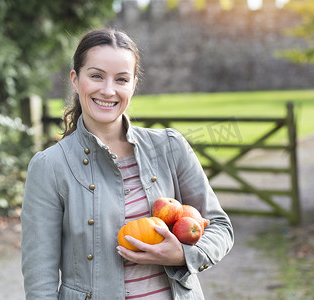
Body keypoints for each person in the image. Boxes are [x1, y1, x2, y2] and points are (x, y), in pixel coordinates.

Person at [21, 28, 234, 300]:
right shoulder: (49, 166)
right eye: (96, 76)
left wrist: (182, 254)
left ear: (133, 84)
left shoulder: (169, 146)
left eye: (121, 79)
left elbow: (219, 226)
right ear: (75, 80)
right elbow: (40, 282)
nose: (108, 90)